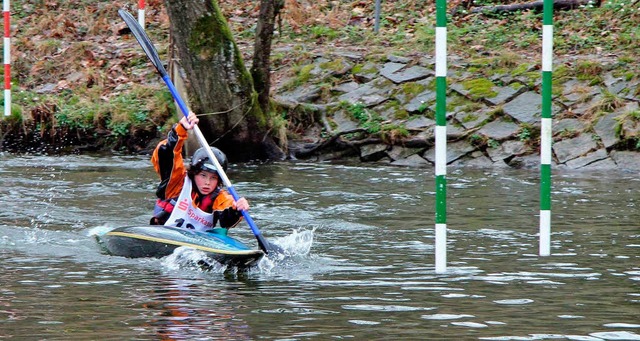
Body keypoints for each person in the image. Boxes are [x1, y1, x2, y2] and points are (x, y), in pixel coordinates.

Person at [149, 114, 249, 232]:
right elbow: (167, 154)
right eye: (203, 175)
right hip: (163, 234)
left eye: (213, 178)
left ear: (219, 180)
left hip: (194, 245)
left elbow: (226, 220)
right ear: (194, 173)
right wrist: (181, 129)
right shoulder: (178, 184)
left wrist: (237, 209)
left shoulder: (219, 198)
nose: (207, 182)